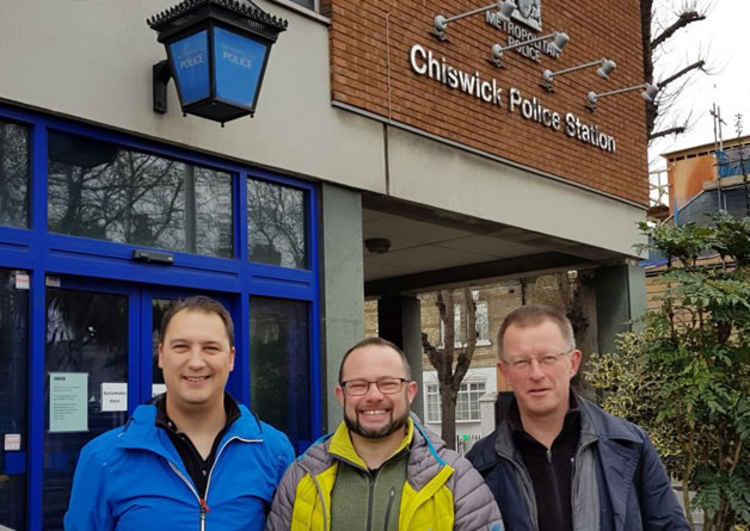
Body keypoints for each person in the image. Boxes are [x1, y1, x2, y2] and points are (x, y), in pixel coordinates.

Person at [64, 296, 294, 530]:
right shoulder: (103, 458)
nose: (195, 362)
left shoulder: (275, 452)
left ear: (231, 358)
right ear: (162, 355)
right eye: (181, 347)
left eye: (211, 348)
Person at [466, 304, 690, 531]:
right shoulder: (480, 466)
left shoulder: (630, 446)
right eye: (521, 362)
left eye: (548, 358)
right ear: (505, 372)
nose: (536, 374)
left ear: (573, 363)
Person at [265, 337, 504, 531]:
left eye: (388, 384)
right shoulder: (301, 478)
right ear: (341, 395)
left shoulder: (456, 479)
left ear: (410, 392)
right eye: (359, 385)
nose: (374, 396)